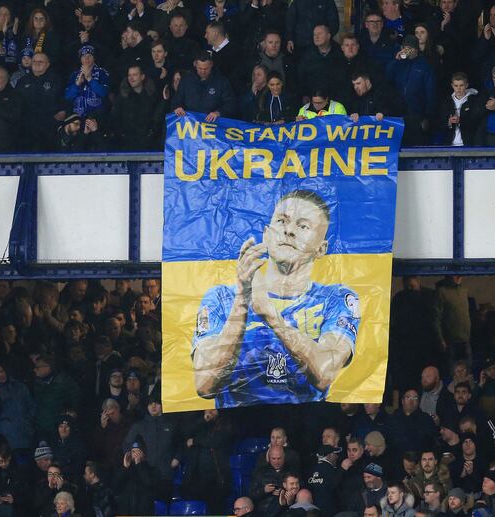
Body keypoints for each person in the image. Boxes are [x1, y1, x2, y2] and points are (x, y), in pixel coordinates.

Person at [191, 190, 359, 407]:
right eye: (282, 221)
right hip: (237, 424)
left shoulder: (335, 299)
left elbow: (325, 372)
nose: (289, 231)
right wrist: (242, 301)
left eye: (303, 226)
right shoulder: (222, 298)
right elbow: (204, 385)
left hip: (306, 424)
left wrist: (270, 314)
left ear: (321, 248)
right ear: (266, 234)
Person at [386, 34, 436, 145]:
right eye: (404, 47)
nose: (406, 50)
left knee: (417, 143)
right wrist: (395, 60)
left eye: (410, 48)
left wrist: (427, 117)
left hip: (417, 114)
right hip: (399, 113)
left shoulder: (425, 65)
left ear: (416, 49)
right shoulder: (398, 64)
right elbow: (387, 77)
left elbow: (430, 92)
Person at [14, 52, 66, 152]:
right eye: (34, 61)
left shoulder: (56, 79)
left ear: (48, 64)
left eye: (40, 61)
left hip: (50, 124)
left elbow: (64, 99)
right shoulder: (22, 81)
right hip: (27, 125)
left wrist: (63, 111)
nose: (36, 64)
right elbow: (16, 102)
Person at [112, 64, 164, 150]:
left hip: (150, 144)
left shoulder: (153, 96)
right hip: (126, 145)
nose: (131, 78)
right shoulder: (122, 98)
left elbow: (157, 119)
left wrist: (151, 133)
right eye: (129, 75)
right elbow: (115, 119)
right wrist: (122, 135)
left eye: (135, 75)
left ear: (142, 77)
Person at [172, 51, 236, 121]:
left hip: (212, 123)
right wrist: (177, 107)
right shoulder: (186, 80)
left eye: (206, 69)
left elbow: (230, 103)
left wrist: (218, 113)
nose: (203, 71)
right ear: (195, 65)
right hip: (190, 122)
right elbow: (177, 99)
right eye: (200, 68)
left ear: (211, 64)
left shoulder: (221, 81)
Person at [65, 45, 110, 118]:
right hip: (77, 118)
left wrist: (90, 79)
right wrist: (77, 84)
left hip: (97, 117)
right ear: (80, 59)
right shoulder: (74, 74)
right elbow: (68, 97)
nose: (86, 58)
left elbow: (104, 93)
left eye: (89, 56)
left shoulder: (102, 72)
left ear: (94, 58)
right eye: (83, 56)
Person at [437, 73, 482, 146]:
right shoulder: (447, 102)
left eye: (461, 85)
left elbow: (477, 122)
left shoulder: (474, 101)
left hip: (469, 145)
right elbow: (440, 124)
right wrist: (448, 122)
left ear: (466, 85)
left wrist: (461, 121)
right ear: (452, 85)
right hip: (450, 145)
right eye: (456, 86)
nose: (458, 88)